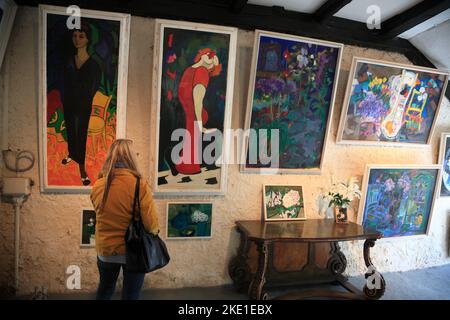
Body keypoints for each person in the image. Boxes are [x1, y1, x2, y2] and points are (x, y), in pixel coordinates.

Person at [90, 139, 159, 300]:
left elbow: (100, 211)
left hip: (105, 248)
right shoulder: (139, 184)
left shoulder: (98, 184)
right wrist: (155, 232)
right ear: (131, 157)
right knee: (131, 294)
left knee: (105, 290)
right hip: (133, 249)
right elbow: (150, 222)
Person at [62, 21, 101, 185]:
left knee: (81, 133)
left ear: (87, 40)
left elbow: (94, 86)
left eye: (81, 36)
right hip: (69, 103)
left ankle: (82, 169)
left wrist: (84, 98)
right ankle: (71, 154)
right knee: (71, 129)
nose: (77, 39)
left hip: (83, 105)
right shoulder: (69, 61)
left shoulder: (93, 65)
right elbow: (64, 81)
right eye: (75, 36)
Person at [175, 48, 221, 175]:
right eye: (209, 54)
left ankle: (188, 166)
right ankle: (185, 165)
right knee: (190, 139)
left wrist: (200, 125)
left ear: (211, 68)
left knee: (192, 138)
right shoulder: (192, 70)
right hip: (190, 112)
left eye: (213, 61)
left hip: (195, 113)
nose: (210, 57)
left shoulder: (201, 72)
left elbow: (198, 100)